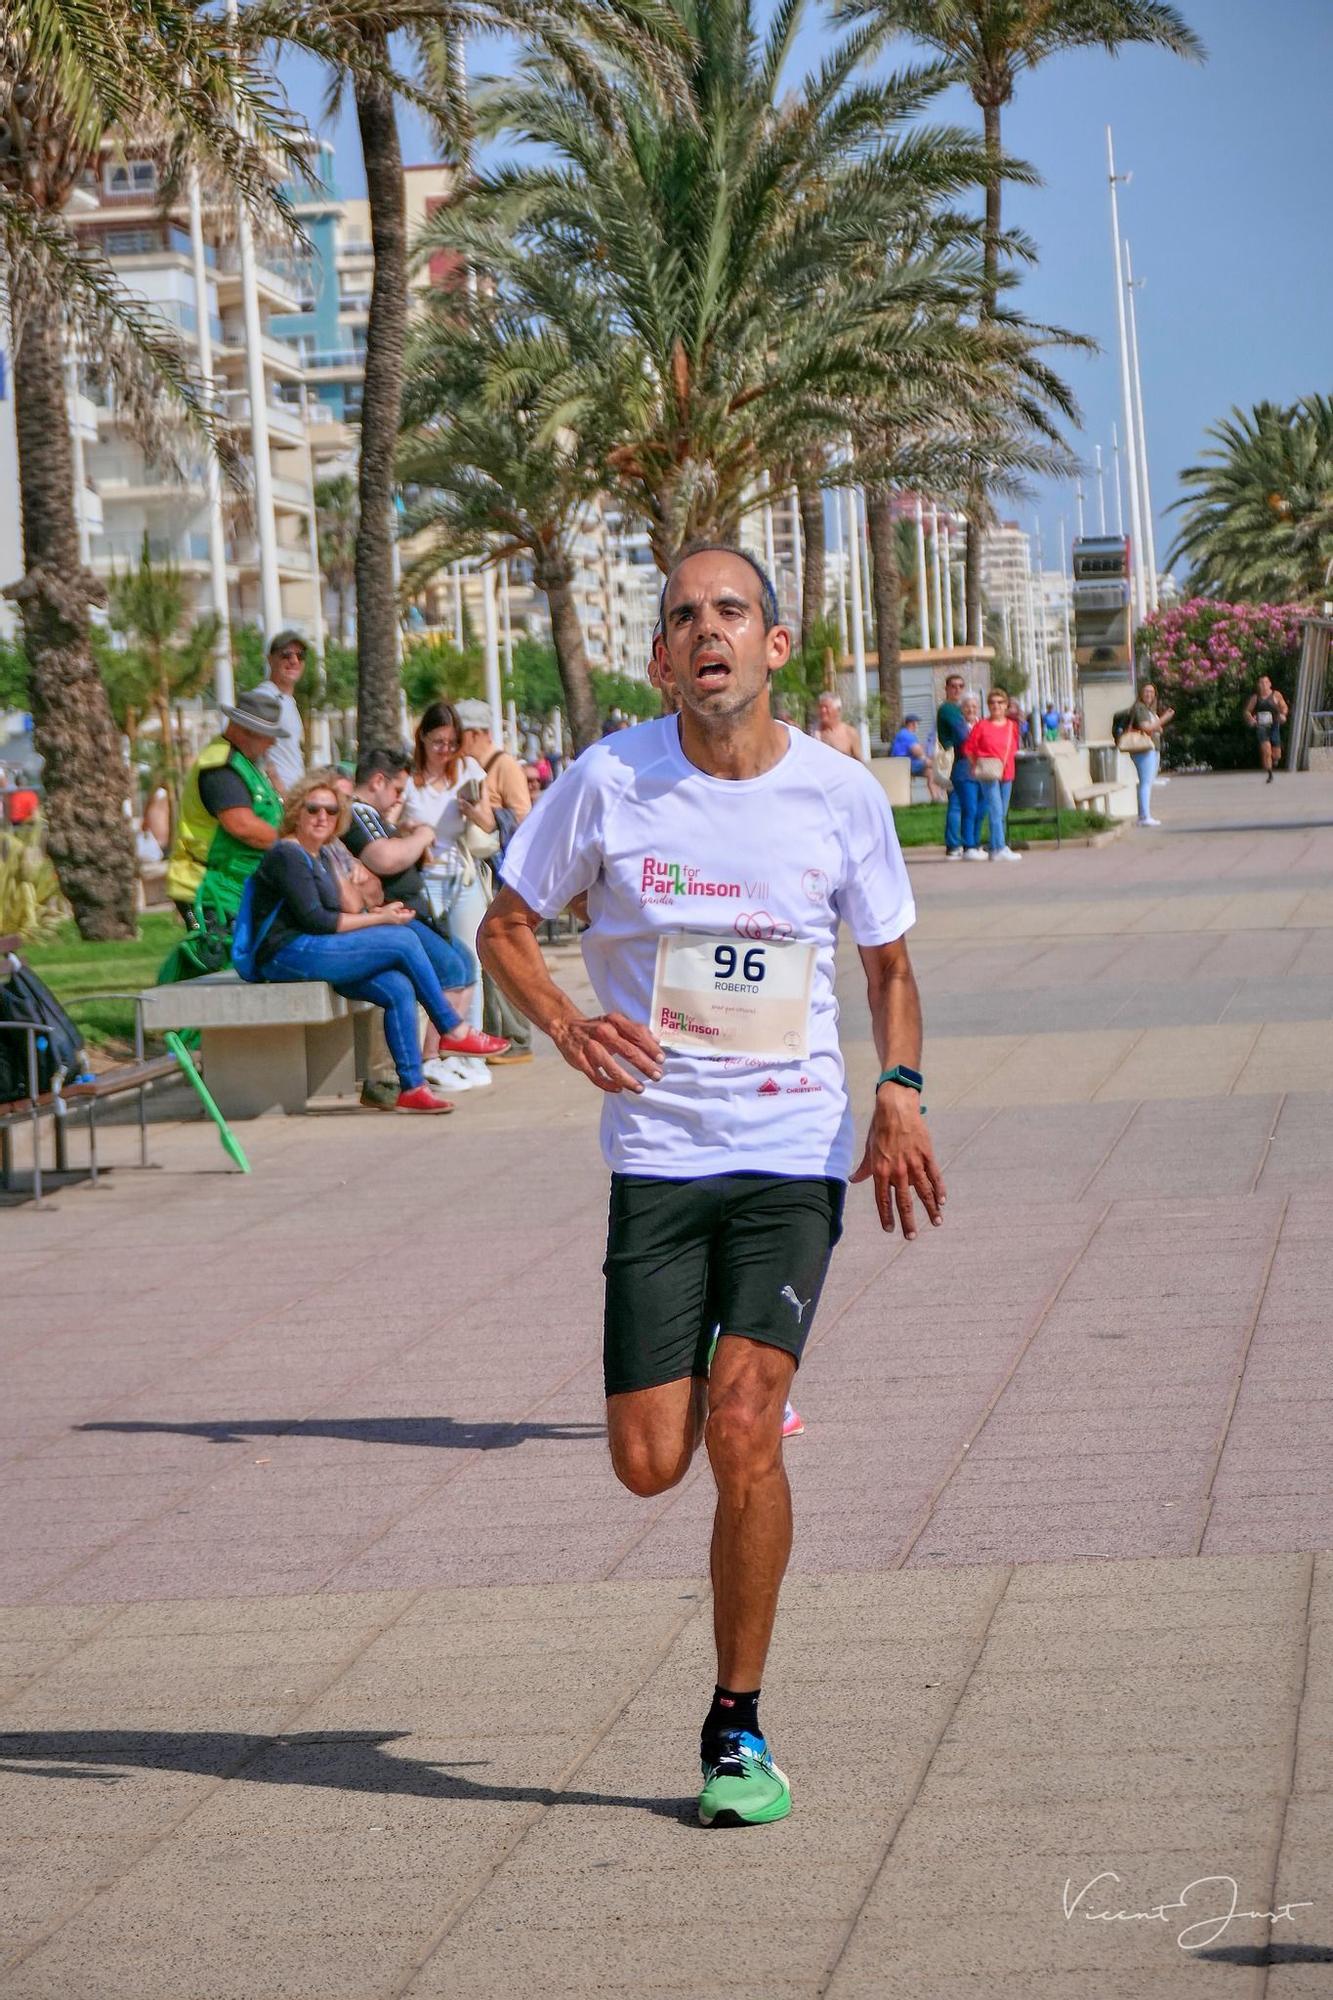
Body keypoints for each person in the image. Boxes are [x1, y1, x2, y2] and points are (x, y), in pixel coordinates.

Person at [480, 544, 944, 1828]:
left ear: (775, 644)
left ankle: (736, 1725)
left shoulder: (839, 793)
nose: (706, 632)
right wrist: (569, 1027)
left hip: (791, 1149)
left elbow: (888, 963)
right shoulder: (608, 781)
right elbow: (504, 926)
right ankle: (725, 1414)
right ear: (656, 659)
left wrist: (898, 1085)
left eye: (729, 611)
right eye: (682, 616)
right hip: (658, 1156)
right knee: (646, 1462)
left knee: (743, 1427)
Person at [248, 772, 484, 1115]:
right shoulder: (288, 855)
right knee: (402, 938)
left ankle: (412, 1086)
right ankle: (452, 1027)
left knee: (398, 986)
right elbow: (319, 920)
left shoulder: (320, 853)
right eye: (313, 809)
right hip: (284, 953)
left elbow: (350, 905)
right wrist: (381, 918)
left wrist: (337, 862)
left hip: (318, 946)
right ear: (296, 811)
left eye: (331, 812)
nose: (322, 818)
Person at [345, 746, 506, 1095]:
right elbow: (384, 858)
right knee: (450, 967)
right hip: (394, 914)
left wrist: (405, 831)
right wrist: (422, 836)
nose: (398, 798)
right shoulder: (357, 812)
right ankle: (432, 1056)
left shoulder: (372, 814)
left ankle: (440, 1051)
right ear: (377, 781)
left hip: (407, 910)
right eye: (398, 790)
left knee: (461, 962)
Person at [455, 699, 535, 1065]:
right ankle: (498, 1033)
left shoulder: (504, 767)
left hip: (501, 875)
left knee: (504, 956)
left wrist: (488, 819)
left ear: (475, 734)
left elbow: (524, 821)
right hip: (480, 874)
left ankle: (516, 1035)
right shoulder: (469, 767)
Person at [166, 686, 285, 925]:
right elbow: (241, 825)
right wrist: (290, 844)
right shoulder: (221, 766)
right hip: (207, 887)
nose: (273, 742)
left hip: (231, 885)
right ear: (244, 730)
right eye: (266, 734)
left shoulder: (245, 763)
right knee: (217, 958)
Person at [963, 686, 1022, 862]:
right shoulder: (982, 725)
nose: (996, 706)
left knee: (1002, 811)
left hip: (1007, 771)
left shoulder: (1012, 726)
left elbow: (1014, 747)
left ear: (1006, 705)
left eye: (1000, 702)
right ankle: (999, 847)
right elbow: (969, 749)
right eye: (992, 702)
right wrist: (976, 765)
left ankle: (995, 846)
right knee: (995, 809)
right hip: (988, 772)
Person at [254, 630, 308, 794]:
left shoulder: (287, 701)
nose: (294, 661)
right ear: (270, 660)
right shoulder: (264, 697)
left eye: (300, 656)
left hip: (295, 796)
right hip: (277, 799)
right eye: (286, 655)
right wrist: (281, 794)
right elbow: (257, 752)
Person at [1119, 681, 1175, 826]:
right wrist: (1164, 718)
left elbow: (1158, 729)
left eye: (1151, 692)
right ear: (1140, 694)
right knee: (1145, 783)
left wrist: (1156, 725)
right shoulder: (1140, 709)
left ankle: (1143, 815)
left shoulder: (1148, 709)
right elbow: (1148, 728)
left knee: (1147, 782)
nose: (1149, 694)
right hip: (1144, 750)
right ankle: (1144, 817)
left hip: (1151, 748)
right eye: (1146, 691)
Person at [937, 673, 972, 859]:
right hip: (956, 761)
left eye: (961, 686)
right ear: (947, 689)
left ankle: (958, 842)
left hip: (961, 760)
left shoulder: (957, 709)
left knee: (958, 802)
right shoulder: (948, 709)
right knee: (957, 804)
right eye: (953, 686)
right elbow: (962, 735)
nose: (957, 689)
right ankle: (953, 843)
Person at [952, 694, 985, 861]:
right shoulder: (958, 726)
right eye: (967, 706)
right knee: (970, 808)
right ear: (962, 709)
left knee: (981, 809)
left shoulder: (983, 724)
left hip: (983, 772)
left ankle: (977, 842)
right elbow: (967, 744)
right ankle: (968, 845)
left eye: (974, 706)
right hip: (964, 772)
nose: (971, 709)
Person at [888, 714, 945, 804]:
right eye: (916, 723)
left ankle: (936, 798)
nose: (917, 726)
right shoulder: (906, 735)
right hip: (904, 765)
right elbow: (918, 752)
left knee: (931, 772)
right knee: (936, 766)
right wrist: (928, 758)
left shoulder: (904, 734)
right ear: (912, 724)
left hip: (906, 763)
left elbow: (918, 750)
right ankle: (941, 792)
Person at [1245, 675, 1289, 783]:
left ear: (1270, 684)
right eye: (1261, 683)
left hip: (1274, 725)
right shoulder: (1256, 697)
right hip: (1262, 726)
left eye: (1265, 683)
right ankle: (1270, 774)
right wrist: (1251, 719)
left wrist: (1283, 714)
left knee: (1276, 753)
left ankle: (1276, 759)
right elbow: (1247, 711)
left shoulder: (1276, 695)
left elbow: (1284, 707)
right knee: (1266, 750)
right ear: (1258, 685)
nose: (1263, 685)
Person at [812, 691, 861, 759]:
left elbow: (859, 763)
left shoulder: (850, 733)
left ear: (838, 710)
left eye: (826, 707)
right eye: (821, 707)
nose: (823, 710)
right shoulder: (813, 732)